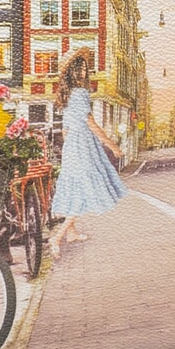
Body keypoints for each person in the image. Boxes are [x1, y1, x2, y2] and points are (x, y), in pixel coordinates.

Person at [49, 52, 128, 257]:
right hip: (83, 144)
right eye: (80, 69)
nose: (84, 72)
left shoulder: (67, 93)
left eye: (85, 68)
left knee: (75, 186)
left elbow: (65, 128)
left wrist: (69, 147)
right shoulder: (80, 93)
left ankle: (71, 233)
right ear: (73, 72)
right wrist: (112, 145)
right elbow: (90, 123)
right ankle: (57, 236)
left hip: (72, 145)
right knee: (86, 188)